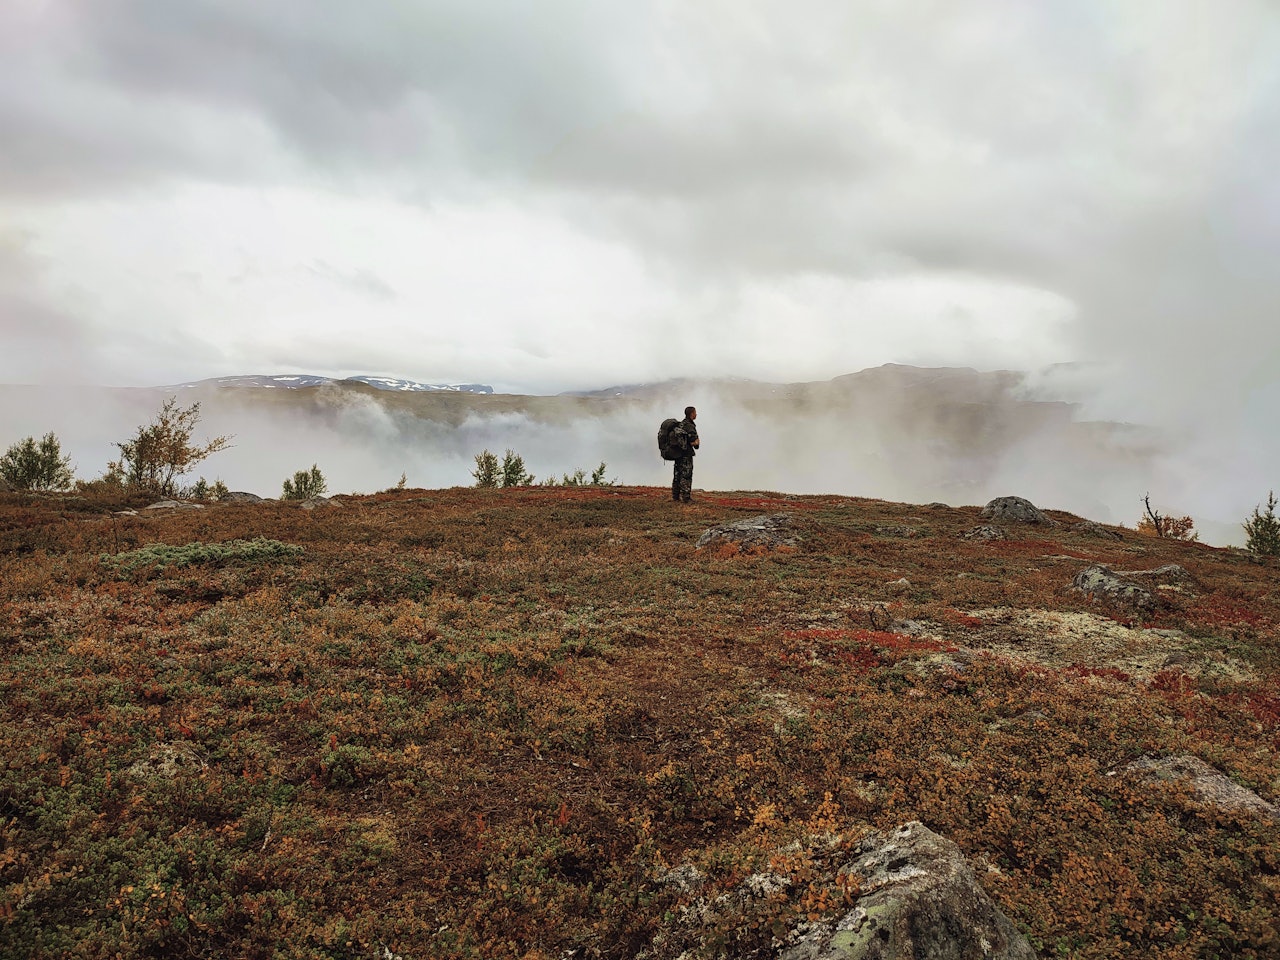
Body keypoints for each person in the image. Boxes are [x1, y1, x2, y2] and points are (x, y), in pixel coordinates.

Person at [672, 405, 699, 502]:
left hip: (677, 454)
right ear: (692, 414)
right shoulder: (690, 425)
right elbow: (694, 441)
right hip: (686, 454)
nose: (696, 414)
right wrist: (696, 443)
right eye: (695, 412)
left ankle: (675, 496)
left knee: (677, 474)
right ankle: (686, 498)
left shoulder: (681, 424)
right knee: (686, 475)